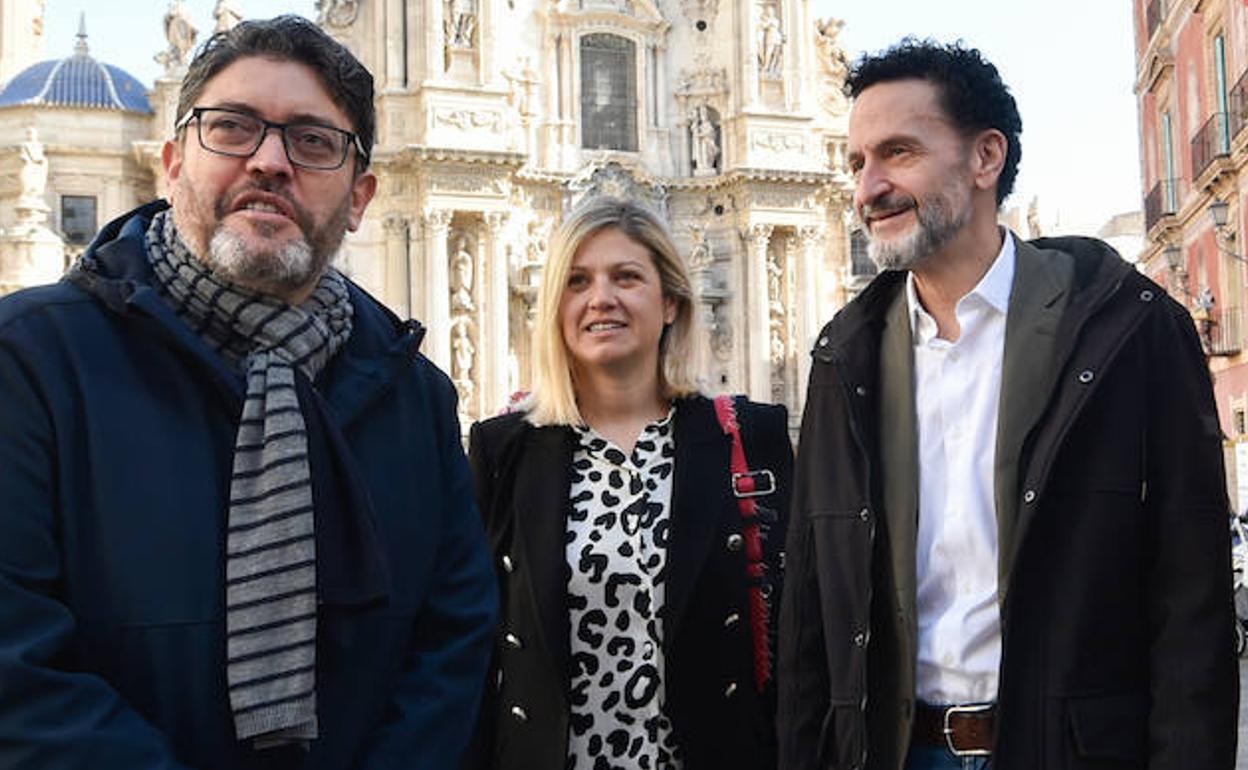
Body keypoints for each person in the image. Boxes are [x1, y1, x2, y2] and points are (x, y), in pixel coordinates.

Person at [0, 15, 497, 769]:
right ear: (171, 163)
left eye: (312, 140)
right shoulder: (31, 359)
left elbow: (451, 645)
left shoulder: (415, 393)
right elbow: (18, 667)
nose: (269, 161)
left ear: (360, 197)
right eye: (232, 128)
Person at [778, 39, 1237, 770]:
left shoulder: (1127, 329)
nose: (869, 188)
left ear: (985, 158)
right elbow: (810, 612)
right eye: (857, 163)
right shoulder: (845, 356)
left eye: (898, 152)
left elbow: (1192, 604)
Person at [466, 198, 793, 770]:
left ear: (670, 302)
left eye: (626, 277)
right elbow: (470, 646)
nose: (601, 299)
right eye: (577, 281)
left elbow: (796, 634)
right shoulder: (503, 451)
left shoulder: (750, 437)